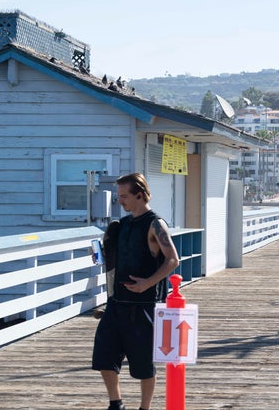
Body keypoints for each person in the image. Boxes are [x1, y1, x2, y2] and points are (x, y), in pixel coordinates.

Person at [92, 172, 180, 410]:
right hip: (116, 303)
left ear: (139, 195)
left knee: (143, 365)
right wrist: (101, 256)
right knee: (104, 356)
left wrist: (146, 284)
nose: (120, 200)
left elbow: (173, 260)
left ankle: (144, 407)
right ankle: (115, 403)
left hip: (144, 306)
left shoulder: (155, 224)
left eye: (124, 196)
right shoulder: (122, 225)